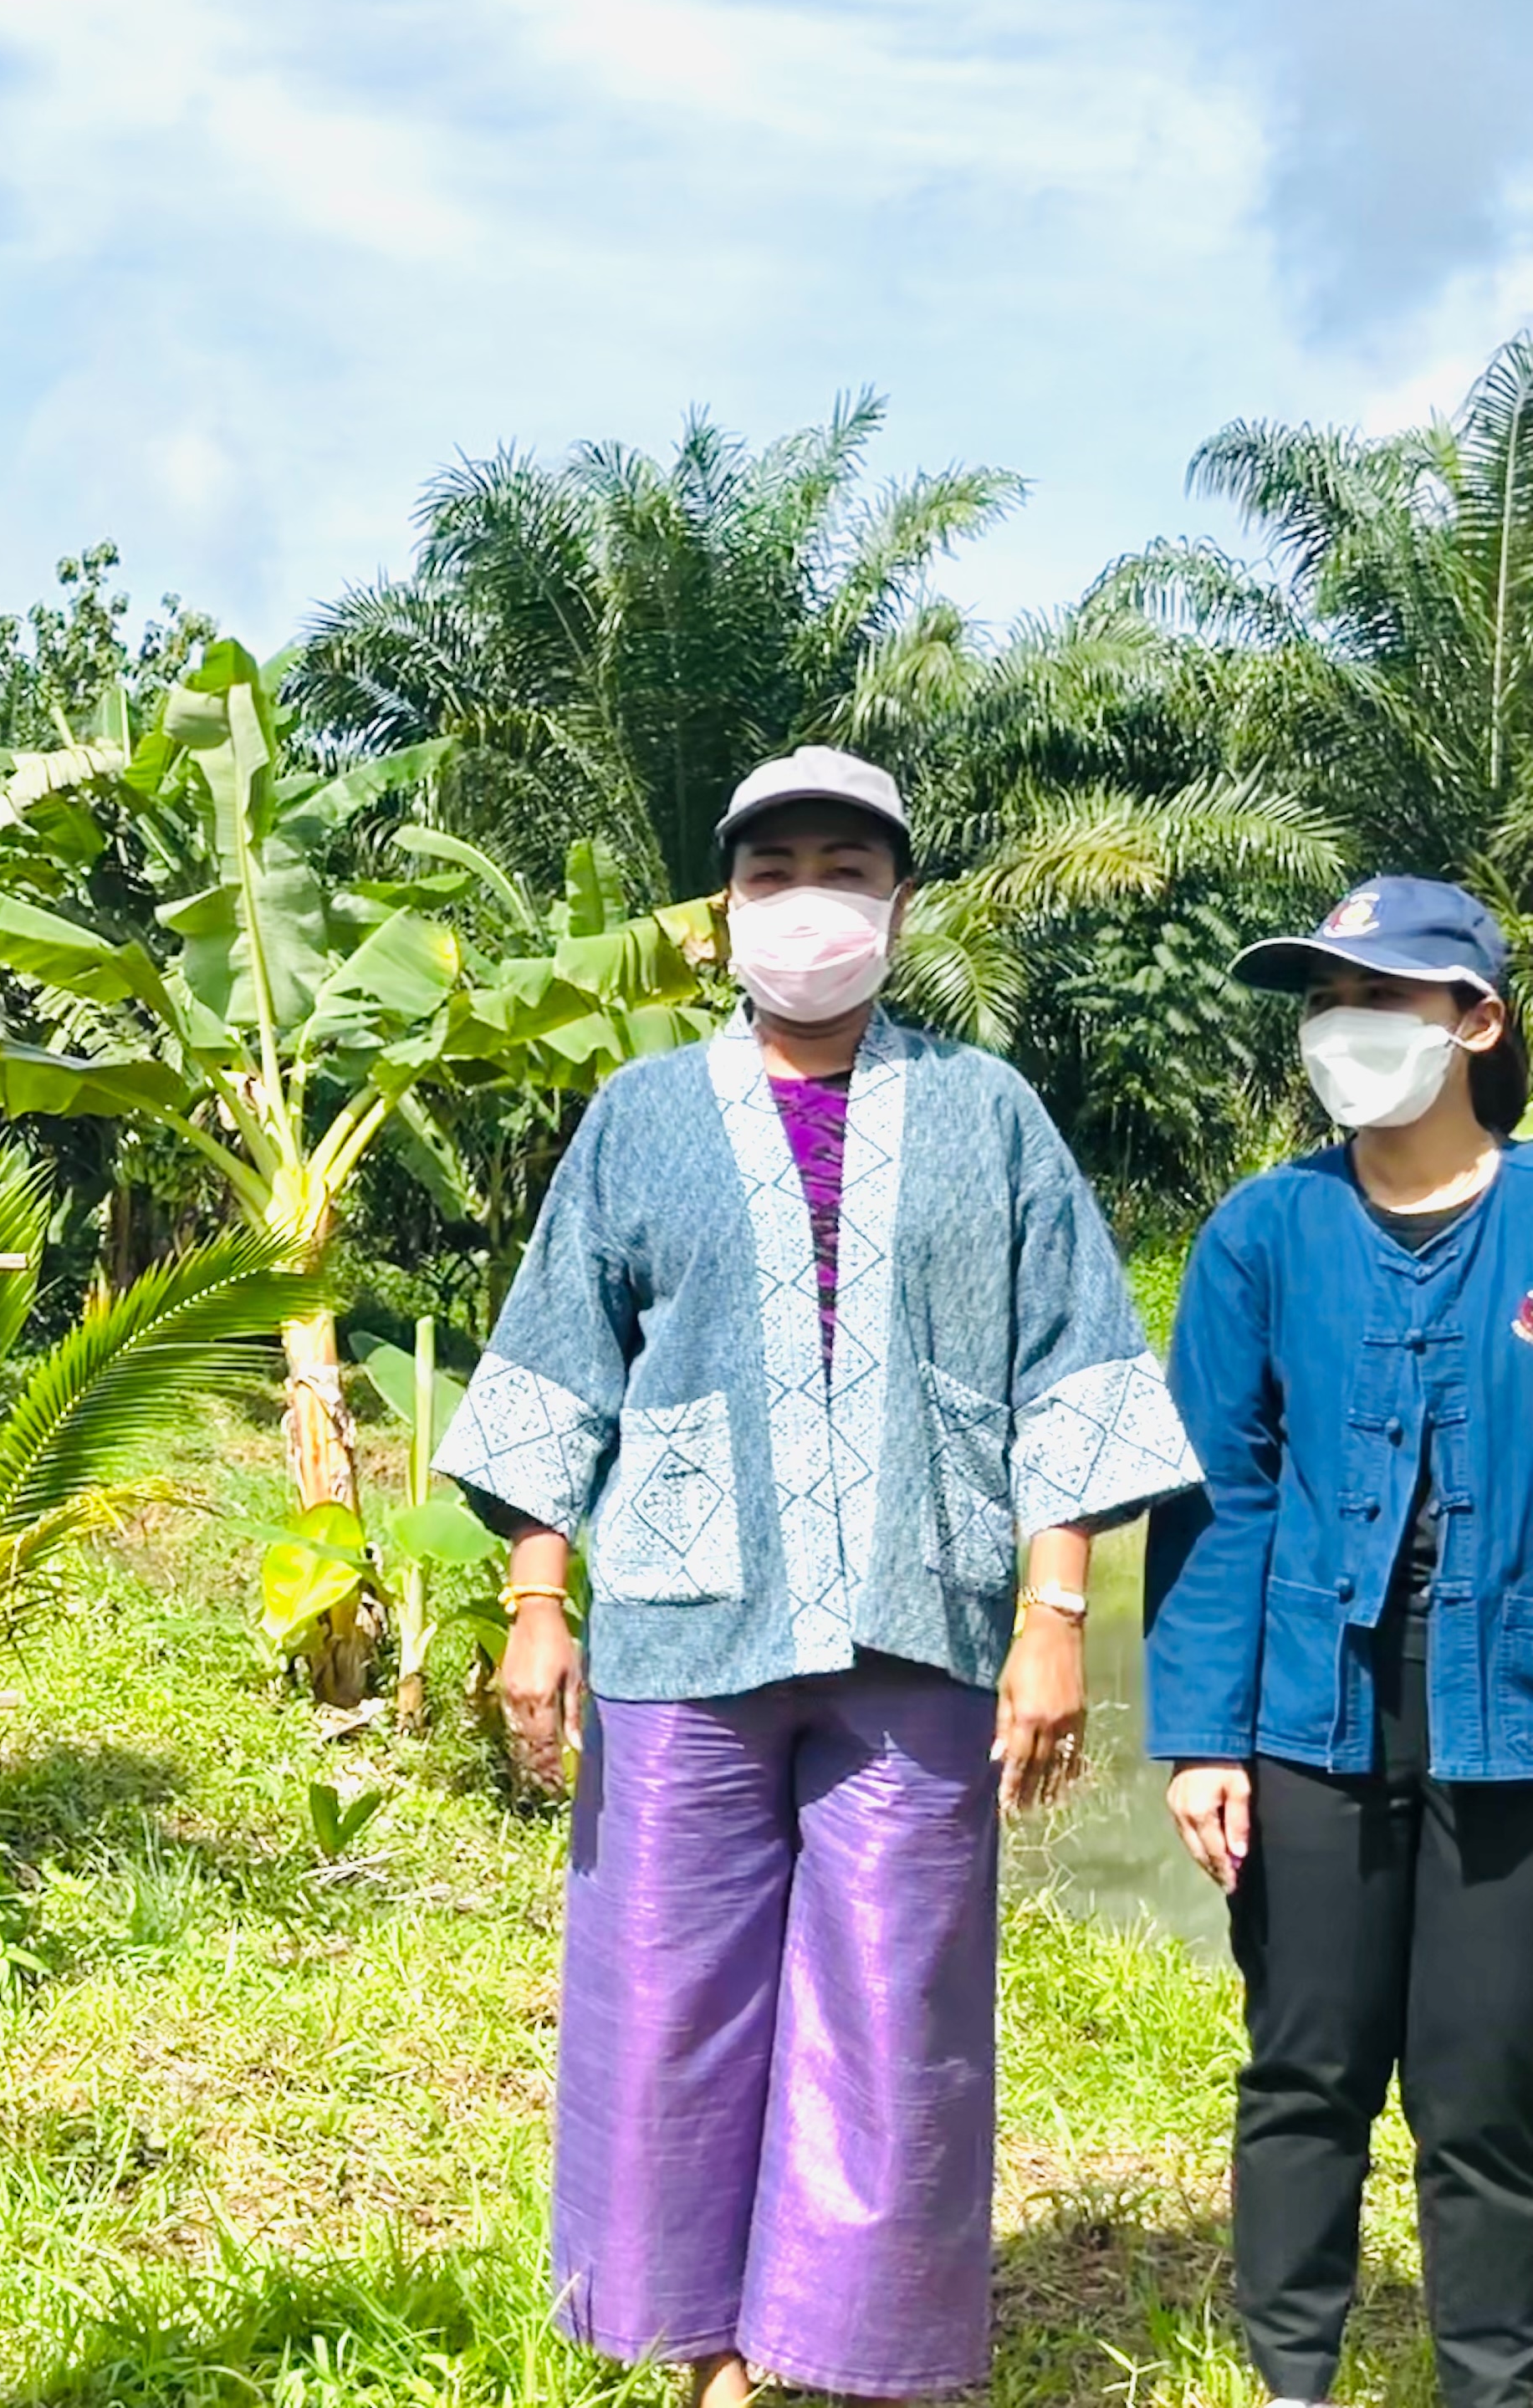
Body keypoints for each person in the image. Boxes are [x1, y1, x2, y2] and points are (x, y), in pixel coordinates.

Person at [434, 746, 1199, 2407]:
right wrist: (538, 1607)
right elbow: (560, 1367)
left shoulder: (990, 1115)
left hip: (917, 1627)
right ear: (726, 909)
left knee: (894, 1994)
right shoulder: (640, 1120)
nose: (810, 901)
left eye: (845, 868)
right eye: (773, 869)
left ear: (899, 902)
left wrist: (1055, 1620)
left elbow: (1064, 1364)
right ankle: (690, 2337)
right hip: (679, 1623)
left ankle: (835, 2345)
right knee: (666, 1987)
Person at [1145, 875, 1533, 2408]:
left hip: (1509, 1719)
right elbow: (1220, 1499)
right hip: (1313, 1714)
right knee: (1303, 2073)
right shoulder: (1264, 1232)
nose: (1342, 1031)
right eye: (1321, 1003)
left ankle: (1492, 2382)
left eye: (1379, 1000)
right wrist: (1196, 1736)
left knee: (1485, 2092)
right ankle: (1289, 2380)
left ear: (1477, 1022)